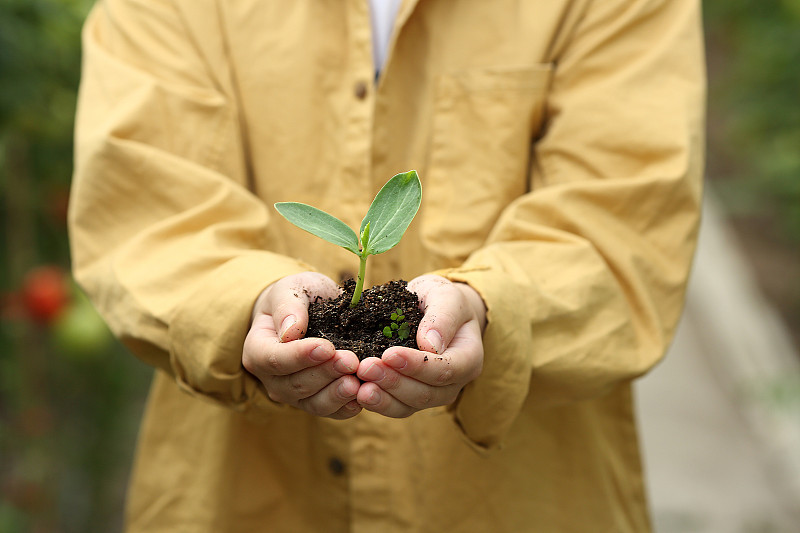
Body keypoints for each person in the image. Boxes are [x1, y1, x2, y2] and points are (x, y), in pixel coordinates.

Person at [68, 0, 705, 531]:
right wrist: (248, 303)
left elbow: (624, 226)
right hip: (238, 498)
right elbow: (143, 209)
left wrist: (487, 309)